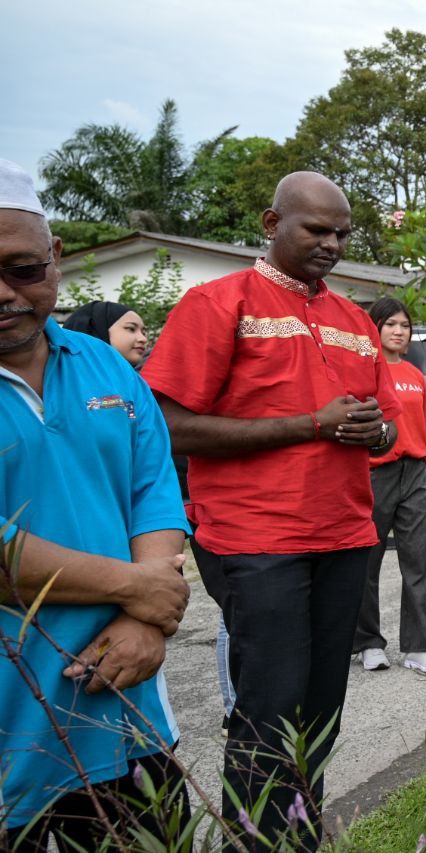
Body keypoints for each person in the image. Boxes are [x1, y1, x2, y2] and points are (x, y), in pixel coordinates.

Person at [142, 171, 402, 850]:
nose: (332, 243)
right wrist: (311, 424)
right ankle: (254, 843)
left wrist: (372, 430)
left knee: (320, 714)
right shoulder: (216, 303)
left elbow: (390, 429)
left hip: (344, 533)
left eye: (342, 232)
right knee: (268, 712)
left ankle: (297, 838)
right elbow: (166, 423)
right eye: (316, 228)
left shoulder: (353, 321)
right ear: (270, 221)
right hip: (256, 539)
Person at [0, 159, 192, 849]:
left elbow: (152, 489)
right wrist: (142, 588)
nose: (4, 293)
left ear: (54, 258)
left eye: (21, 268)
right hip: (14, 740)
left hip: (129, 718)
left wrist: (147, 624)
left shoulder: (102, 361)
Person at [352, 297, 426, 674]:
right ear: (374, 328)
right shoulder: (362, 371)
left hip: (416, 471)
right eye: (390, 324)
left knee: (417, 560)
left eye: (404, 325)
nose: (398, 331)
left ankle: (420, 645)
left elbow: (419, 424)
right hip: (375, 473)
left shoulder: (413, 372)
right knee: (367, 561)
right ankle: (368, 642)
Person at [62, 300, 149, 366]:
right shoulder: (67, 381)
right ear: (98, 330)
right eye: (131, 329)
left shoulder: (139, 385)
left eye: (143, 333)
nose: (143, 339)